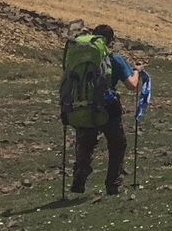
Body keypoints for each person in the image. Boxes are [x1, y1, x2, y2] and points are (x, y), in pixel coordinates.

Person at [62, 24, 145, 196]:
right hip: (108, 108)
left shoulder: (79, 58)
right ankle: (113, 184)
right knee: (117, 144)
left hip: (82, 105)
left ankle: (80, 176)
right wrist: (138, 71)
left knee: (85, 144)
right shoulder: (114, 59)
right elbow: (132, 85)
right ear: (111, 41)